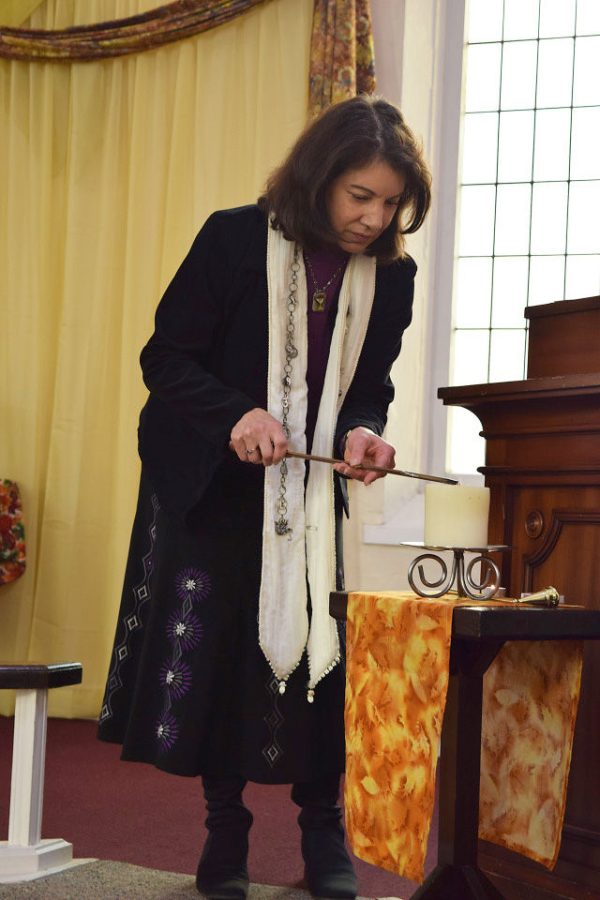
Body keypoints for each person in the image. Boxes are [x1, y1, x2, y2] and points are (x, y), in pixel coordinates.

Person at [98, 94, 431, 900]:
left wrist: (363, 432)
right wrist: (237, 415)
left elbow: (370, 385)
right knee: (220, 657)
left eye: (390, 203)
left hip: (311, 498)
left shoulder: (392, 274)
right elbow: (166, 357)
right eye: (361, 196)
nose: (373, 217)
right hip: (211, 481)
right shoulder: (234, 238)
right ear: (319, 179)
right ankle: (226, 835)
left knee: (321, 660)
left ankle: (325, 834)